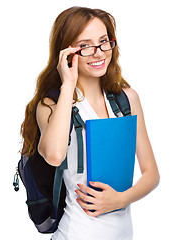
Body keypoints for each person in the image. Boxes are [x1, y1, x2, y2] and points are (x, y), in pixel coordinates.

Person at [20, 6, 160, 240]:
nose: (98, 52)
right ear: (67, 52)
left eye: (103, 41)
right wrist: (68, 84)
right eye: (85, 46)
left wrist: (121, 199)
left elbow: (151, 174)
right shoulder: (51, 105)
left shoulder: (127, 99)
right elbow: (54, 155)